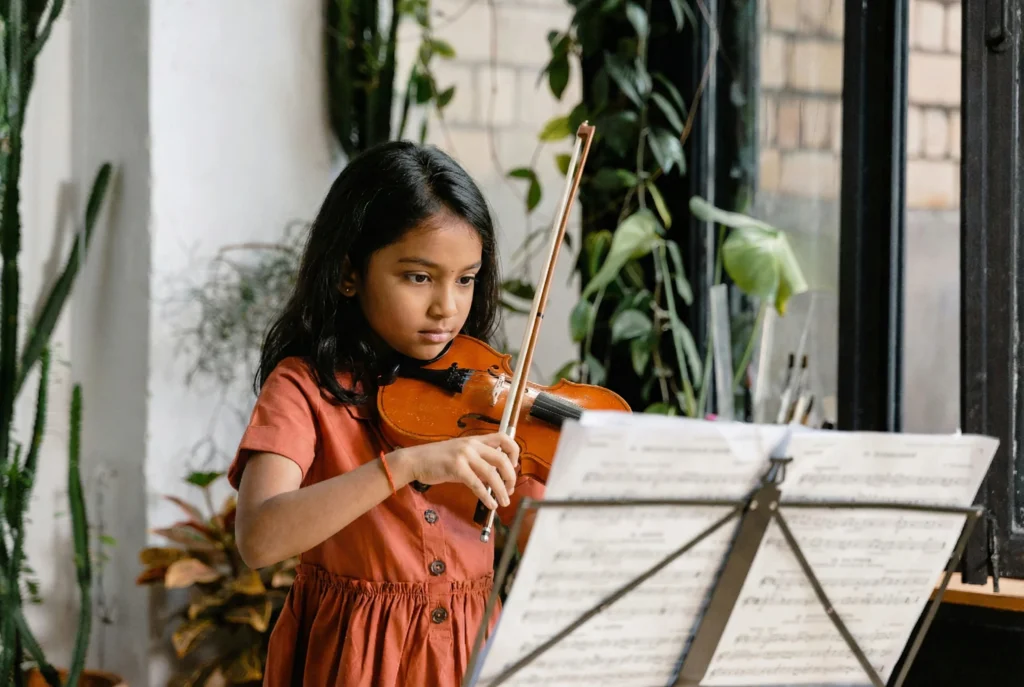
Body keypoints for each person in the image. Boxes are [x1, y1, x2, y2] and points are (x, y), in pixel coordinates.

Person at [227, 140, 544, 687]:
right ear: (350, 273)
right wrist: (407, 467)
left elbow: (540, 531)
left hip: (470, 660)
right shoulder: (304, 389)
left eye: (465, 279)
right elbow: (260, 538)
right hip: (354, 664)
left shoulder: (483, 396)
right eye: (419, 277)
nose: (447, 307)